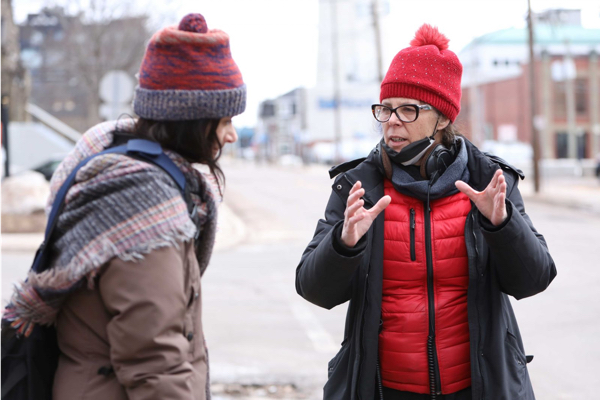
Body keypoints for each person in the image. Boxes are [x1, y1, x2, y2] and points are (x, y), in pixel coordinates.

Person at [296, 24, 556, 400]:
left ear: (443, 118)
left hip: (476, 389)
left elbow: (535, 278)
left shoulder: (489, 182)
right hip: (385, 390)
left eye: (408, 109)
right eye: (385, 109)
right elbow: (313, 288)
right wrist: (344, 243)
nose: (392, 121)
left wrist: (502, 226)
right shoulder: (359, 187)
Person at [4, 13, 245, 400]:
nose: (231, 135)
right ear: (193, 119)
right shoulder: (144, 203)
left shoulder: (114, 167)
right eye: (225, 120)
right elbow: (155, 362)